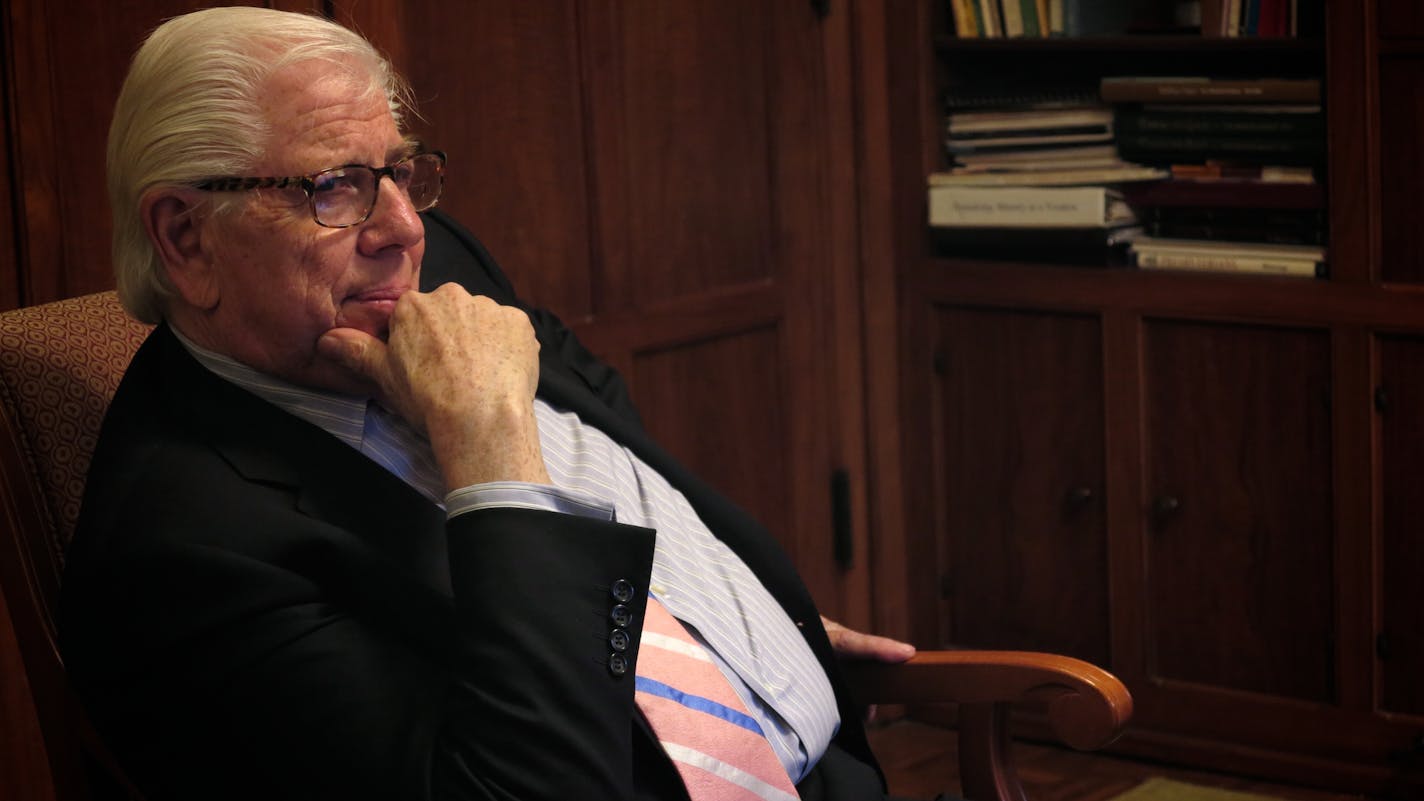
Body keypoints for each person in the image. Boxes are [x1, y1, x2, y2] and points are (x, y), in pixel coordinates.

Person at [59, 7, 916, 801]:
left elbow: (596, 408)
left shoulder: (441, 267)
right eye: (331, 187)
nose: (404, 228)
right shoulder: (177, 556)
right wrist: (490, 455)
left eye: (399, 172)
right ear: (184, 237)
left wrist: (724, 625)